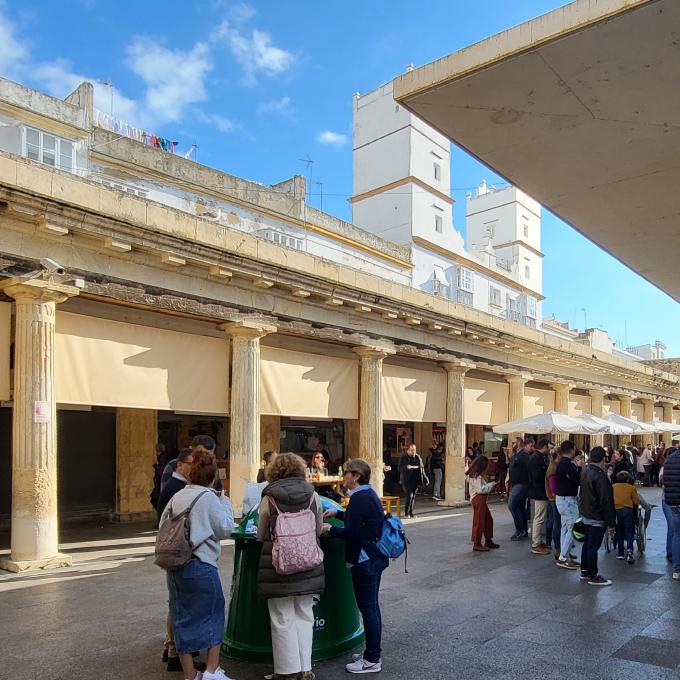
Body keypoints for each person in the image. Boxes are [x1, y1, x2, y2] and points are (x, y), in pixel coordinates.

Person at [160, 449, 235, 680]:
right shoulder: (208, 498)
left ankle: (190, 674)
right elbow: (226, 528)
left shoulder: (177, 496)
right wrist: (225, 504)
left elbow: (163, 524)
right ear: (212, 476)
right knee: (213, 613)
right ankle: (212, 671)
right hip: (200, 563)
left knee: (181, 616)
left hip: (175, 564)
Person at [257, 453, 324, 680]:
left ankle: (287, 671)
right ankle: (306, 668)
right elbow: (318, 528)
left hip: (278, 565)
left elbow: (261, 532)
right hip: (308, 564)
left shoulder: (270, 497)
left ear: (274, 472)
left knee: (281, 617)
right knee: (305, 614)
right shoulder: (312, 494)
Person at [323, 459, 389, 674]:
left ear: (357, 476)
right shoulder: (368, 494)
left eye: (347, 473)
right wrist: (339, 514)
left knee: (368, 608)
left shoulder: (359, 498)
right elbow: (363, 521)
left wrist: (329, 529)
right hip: (374, 558)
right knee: (372, 607)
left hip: (364, 560)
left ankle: (371, 659)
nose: (344, 477)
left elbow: (353, 532)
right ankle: (371, 652)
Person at [157, 447, 194, 672]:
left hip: (174, 551)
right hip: (179, 551)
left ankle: (171, 647)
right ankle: (175, 651)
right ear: (180, 465)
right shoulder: (176, 488)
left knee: (177, 602)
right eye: (192, 463)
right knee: (179, 603)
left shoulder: (175, 486)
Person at [579, 446, 616, 586]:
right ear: (603, 459)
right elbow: (606, 501)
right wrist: (611, 523)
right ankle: (593, 574)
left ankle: (585, 570)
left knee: (587, 543)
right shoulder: (600, 476)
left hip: (586, 512)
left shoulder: (585, 471)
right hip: (597, 515)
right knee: (593, 546)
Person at [555, 440, 582, 570]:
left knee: (565, 528)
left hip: (561, 499)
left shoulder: (561, 463)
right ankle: (564, 557)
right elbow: (577, 479)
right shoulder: (567, 464)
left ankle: (564, 555)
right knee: (573, 528)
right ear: (572, 449)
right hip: (568, 500)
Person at [466, 456, 499, 552]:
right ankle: (477, 543)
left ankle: (488, 540)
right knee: (479, 521)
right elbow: (480, 490)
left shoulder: (474, 474)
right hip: (478, 498)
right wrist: (491, 485)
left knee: (487, 519)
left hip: (478, 499)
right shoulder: (477, 476)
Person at [528, 439, 552, 556]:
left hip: (541, 491)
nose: (549, 450)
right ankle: (536, 543)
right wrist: (546, 472)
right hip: (539, 492)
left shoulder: (540, 457)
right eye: (549, 447)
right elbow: (536, 476)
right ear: (545, 446)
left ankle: (538, 541)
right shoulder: (536, 458)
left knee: (540, 517)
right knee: (539, 517)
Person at [508, 438, 534, 540]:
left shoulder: (524, 455)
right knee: (519, 506)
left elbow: (530, 468)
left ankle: (520, 529)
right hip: (515, 484)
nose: (512, 444)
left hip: (521, 484)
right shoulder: (515, 455)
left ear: (519, 443)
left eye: (513, 443)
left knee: (512, 505)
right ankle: (523, 530)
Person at [661, 445, 680, 581]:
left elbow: (664, 482)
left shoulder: (670, 460)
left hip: (672, 502)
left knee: (677, 534)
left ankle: (677, 570)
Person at [613, 471, 639, 564]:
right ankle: (629, 550)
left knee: (619, 530)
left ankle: (620, 552)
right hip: (628, 511)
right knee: (629, 531)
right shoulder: (631, 488)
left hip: (617, 510)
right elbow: (636, 502)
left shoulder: (613, 487)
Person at [399, 444, 426, 518]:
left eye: (414, 450)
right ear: (408, 450)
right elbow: (399, 468)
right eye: (411, 450)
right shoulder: (404, 457)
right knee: (409, 496)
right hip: (407, 480)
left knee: (413, 497)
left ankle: (411, 513)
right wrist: (406, 467)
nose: (413, 452)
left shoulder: (417, 457)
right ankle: (406, 513)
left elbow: (421, 469)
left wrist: (425, 479)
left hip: (415, 480)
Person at [545, 448, 562, 559]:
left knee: (552, 521)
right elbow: (552, 486)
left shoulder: (553, 466)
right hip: (554, 499)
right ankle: (558, 548)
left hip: (552, 498)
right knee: (557, 523)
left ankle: (549, 542)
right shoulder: (553, 468)